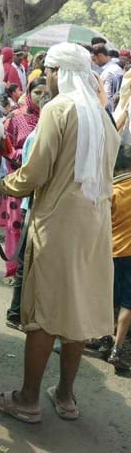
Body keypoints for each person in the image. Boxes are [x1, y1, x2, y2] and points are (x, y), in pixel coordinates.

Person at [0, 42, 120, 424]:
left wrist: (4, 186)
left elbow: (36, 172)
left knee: (45, 312)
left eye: (49, 72)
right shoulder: (102, 116)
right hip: (94, 227)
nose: (46, 78)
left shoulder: (57, 110)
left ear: (59, 72)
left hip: (58, 224)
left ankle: (27, 400)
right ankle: (65, 396)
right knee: (76, 309)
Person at [0, 77, 46, 285]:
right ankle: (12, 271)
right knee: (16, 225)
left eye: (47, 94)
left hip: (42, 180)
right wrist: (24, 157)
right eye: (38, 93)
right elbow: (4, 146)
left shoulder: (52, 117)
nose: (43, 98)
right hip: (18, 177)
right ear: (29, 93)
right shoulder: (15, 117)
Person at [109, 144, 131, 371]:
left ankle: (101, 338)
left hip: (112, 252)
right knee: (128, 303)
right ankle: (118, 347)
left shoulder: (112, 191)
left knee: (109, 299)